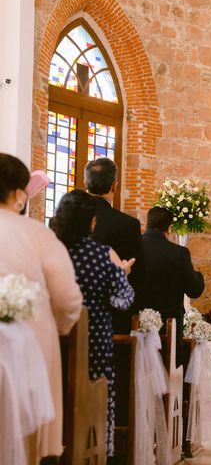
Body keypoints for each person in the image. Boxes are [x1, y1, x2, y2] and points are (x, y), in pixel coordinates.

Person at [0, 153, 83, 461]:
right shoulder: (38, 234)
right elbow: (67, 298)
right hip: (29, 346)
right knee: (28, 441)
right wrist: (60, 328)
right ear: (19, 194)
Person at [50, 189, 135, 459]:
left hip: (53, 335)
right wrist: (121, 273)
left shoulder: (51, 250)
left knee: (56, 391)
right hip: (95, 337)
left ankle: (52, 449)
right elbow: (125, 300)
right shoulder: (101, 255)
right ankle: (98, 451)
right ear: (92, 222)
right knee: (97, 396)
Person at [85, 157, 145, 333]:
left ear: (85, 183)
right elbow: (138, 277)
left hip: (70, 314)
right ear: (114, 185)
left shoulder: (66, 219)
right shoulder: (126, 224)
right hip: (113, 320)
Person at [140, 206, 205, 364]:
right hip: (169, 327)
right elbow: (194, 290)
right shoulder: (178, 253)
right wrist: (199, 276)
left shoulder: (132, 247)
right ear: (169, 228)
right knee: (170, 368)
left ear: (147, 224)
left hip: (138, 325)